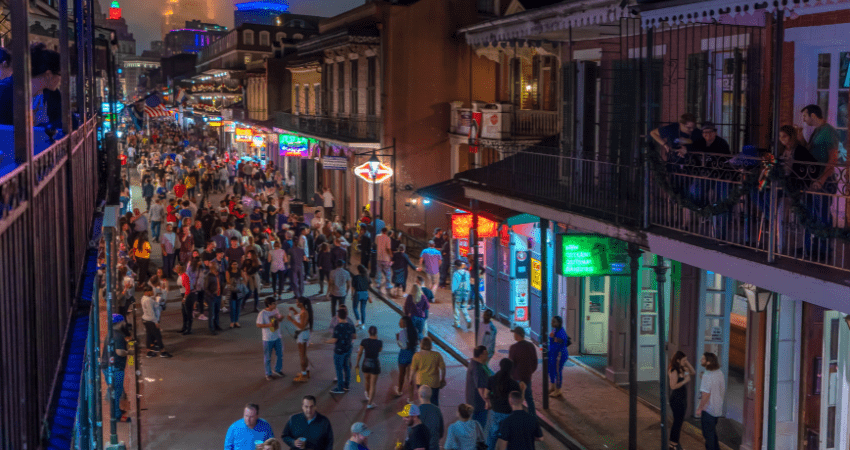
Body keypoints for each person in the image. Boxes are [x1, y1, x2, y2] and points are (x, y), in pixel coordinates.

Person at [485, 358, 522, 450]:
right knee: (507, 438)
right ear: (511, 369)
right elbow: (519, 400)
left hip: (495, 411)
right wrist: (523, 390)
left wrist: (488, 402)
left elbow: (486, 394)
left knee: (492, 436)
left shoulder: (492, 379)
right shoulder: (514, 384)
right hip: (508, 413)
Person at [101, 314, 130, 422]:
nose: (125, 323)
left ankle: (116, 409)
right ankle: (116, 415)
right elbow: (119, 352)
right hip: (114, 368)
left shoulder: (111, 333)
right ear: (120, 322)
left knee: (114, 390)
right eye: (123, 321)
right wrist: (129, 352)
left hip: (108, 367)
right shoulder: (118, 336)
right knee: (116, 391)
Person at [696, 352, 725, 450]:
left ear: (708, 362)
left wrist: (700, 408)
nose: (701, 360)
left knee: (708, 436)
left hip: (708, 409)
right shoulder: (719, 372)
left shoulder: (707, 375)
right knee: (712, 433)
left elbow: (706, 394)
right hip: (717, 408)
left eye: (703, 359)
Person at [669, 351, 697, 450]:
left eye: (686, 360)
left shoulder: (682, 368)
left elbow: (693, 372)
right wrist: (685, 381)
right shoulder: (674, 370)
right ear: (677, 360)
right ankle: (674, 444)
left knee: (679, 422)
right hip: (676, 399)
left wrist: (686, 362)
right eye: (683, 360)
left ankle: (673, 443)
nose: (685, 362)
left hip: (682, 398)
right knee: (677, 422)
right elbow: (673, 386)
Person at [508, 327, 538, 417]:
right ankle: (533, 418)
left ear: (517, 335)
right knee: (529, 399)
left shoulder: (514, 348)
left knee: (516, 399)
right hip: (527, 377)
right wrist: (529, 372)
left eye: (515, 334)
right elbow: (535, 362)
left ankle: (518, 417)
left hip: (517, 378)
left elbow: (511, 364)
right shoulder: (531, 346)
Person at [408, 337, 446, 406]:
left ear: (421, 344)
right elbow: (443, 368)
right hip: (434, 383)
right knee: (434, 402)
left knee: (423, 401)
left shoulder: (417, 355)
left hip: (421, 382)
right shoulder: (437, 355)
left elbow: (412, 369)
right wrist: (442, 379)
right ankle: (434, 414)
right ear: (430, 345)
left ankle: (424, 414)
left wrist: (410, 379)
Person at [327, 307, 357, 394]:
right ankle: (346, 385)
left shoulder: (337, 327)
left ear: (338, 317)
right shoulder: (351, 326)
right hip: (348, 349)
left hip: (339, 351)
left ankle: (340, 388)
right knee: (347, 367)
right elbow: (354, 336)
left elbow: (334, 340)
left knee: (339, 369)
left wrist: (326, 341)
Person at [256, 297, 285, 380]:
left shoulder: (275, 310)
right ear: (269, 305)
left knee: (280, 354)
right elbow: (258, 325)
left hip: (277, 336)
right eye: (274, 303)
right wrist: (268, 325)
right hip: (268, 338)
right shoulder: (262, 313)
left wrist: (280, 318)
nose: (276, 305)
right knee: (268, 357)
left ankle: (278, 369)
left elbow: (278, 319)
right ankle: (268, 373)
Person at [355, 325, 383, 409]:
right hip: (375, 363)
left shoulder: (364, 341)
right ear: (376, 333)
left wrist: (357, 363)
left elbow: (360, 353)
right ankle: (370, 403)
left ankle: (367, 393)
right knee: (373, 384)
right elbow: (379, 350)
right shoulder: (379, 342)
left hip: (366, 363)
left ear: (368, 332)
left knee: (367, 380)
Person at [286, 297, 313, 383]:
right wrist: (294, 311)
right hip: (303, 334)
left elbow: (301, 326)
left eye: (297, 302)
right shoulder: (303, 311)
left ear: (301, 303)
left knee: (302, 354)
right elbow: (300, 318)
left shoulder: (304, 313)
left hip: (302, 334)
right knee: (303, 354)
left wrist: (291, 320)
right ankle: (306, 371)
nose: (296, 303)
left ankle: (304, 375)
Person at [140, 287, 172, 358]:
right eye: (151, 291)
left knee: (149, 336)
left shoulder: (143, 298)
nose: (152, 293)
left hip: (145, 319)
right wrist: (156, 322)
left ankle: (149, 352)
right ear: (147, 291)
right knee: (158, 336)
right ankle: (163, 352)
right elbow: (151, 312)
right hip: (150, 320)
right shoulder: (148, 300)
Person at [466, 346, 490, 428]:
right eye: (486, 354)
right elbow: (481, 389)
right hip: (479, 405)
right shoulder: (477, 368)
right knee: (478, 428)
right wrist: (487, 401)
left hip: (473, 402)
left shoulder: (474, 363)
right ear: (481, 355)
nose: (488, 356)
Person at [396, 316, 420, 397]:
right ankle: (411, 397)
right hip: (412, 355)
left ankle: (399, 390)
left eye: (400, 322)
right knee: (410, 377)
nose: (399, 323)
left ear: (404, 324)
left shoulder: (402, 332)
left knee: (401, 374)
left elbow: (403, 346)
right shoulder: (415, 331)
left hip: (403, 355)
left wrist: (397, 340)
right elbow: (417, 344)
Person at [547, 316, 570, 398]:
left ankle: (558, 390)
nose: (552, 323)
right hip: (553, 354)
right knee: (551, 370)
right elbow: (552, 342)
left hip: (559, 355)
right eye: (552, 321)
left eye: (554, 322)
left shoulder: (561, 333)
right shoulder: (555, 330)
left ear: (559, 323)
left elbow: (557, 345)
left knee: (557, 371)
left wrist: (552, 338)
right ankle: (553, 386)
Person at [416, 385, 444, 450]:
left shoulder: (417, 411)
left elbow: (410, 433)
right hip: (434, 447)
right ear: (430, 395)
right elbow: (441, 431)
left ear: (419, 395)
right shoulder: (437, 410)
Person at [451, 260, 472, 330]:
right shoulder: (467, 273)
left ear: (456, 266)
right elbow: (468, 282)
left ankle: (457, 323)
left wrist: (453, 292)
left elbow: (454, 284)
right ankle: (468, 319)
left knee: (457, 307)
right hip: (466, 292)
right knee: (464, 307)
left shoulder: (455, 273)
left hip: (458, 292)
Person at [226, 260, 245, 328]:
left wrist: (240, 282)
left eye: (236, 264)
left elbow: (244, 279)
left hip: (239, 291)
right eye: (234, 264)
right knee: (232, 307)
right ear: (231, 265)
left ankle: (236, 321)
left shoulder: (240, 271)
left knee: (238, 307)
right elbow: (228, 281)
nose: (235, 265)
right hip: (232, 291)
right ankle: (232, 321)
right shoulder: (228, 272)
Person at [204, 263, 222, 335]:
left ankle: (216, 325)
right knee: (212, 313)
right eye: (215, 268)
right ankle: (211, 328)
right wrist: (211, 295)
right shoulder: (209, 277)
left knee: (217, 312)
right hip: (212, 297)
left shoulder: (217, 276)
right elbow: (205, 288)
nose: (217, 270)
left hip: (218, 296)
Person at [375, 228, 393, 293]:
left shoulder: (377, 237)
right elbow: (388, 248)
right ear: (386, 232)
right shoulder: (388, 238)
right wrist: (391, 255)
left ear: (381, 231)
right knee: (388, 272)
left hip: (379, 257)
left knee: (379, 271)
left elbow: (376, 244)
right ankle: (388, 284)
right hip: (385, 258)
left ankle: (378, 283)